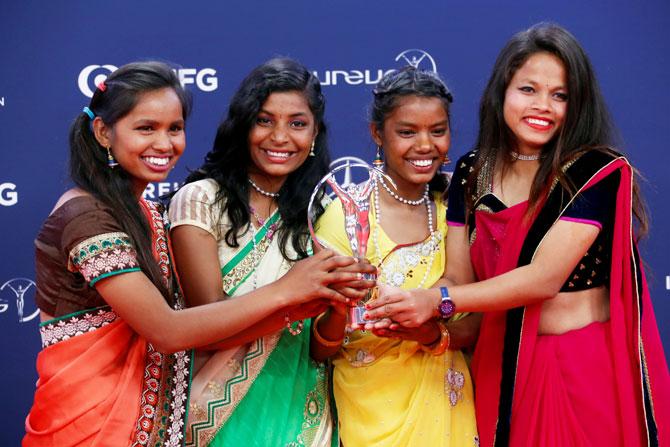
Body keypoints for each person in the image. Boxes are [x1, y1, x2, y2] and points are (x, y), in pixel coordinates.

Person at [23, 61, 364, 447]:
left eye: (175, 129)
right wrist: (288, 290)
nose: (164, 144)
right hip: (87, 425)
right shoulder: (86, 217)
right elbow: (169, 331)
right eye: (145, 128)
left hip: (143, 428)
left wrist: (309, 304)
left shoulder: (147, 214)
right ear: (103, 132)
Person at [367, 24, 670, 446]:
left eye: (559, 95)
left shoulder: (595, 172)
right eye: (528, 90)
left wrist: (435, 301)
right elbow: (457, 276)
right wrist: (408, 303)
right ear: (502, 92)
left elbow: (542, 278)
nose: (542, 106)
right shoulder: (473, 172)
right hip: (501, 365)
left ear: (577, 103)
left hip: (581, 371)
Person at [168, 58, 375, 447]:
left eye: (297, 124)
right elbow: (205, 325)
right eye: (264, 120)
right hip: (216, 419)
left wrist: (342, 307)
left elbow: (318, 348)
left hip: (303, 418)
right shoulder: (200, 201)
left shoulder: (321, 214)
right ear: (243, 126)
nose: (280, 137)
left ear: (314, 135)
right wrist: (291, 291)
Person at [312, 67, 479, 446]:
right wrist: (343, 309)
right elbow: (321, 346)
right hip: (368, 408)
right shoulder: (345, 214)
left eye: (437, 130)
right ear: (377, 134)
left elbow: (476, 324)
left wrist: (430, 332)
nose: (425, 145)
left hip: (445, 401)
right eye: (407, 132)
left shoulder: (457, 207)